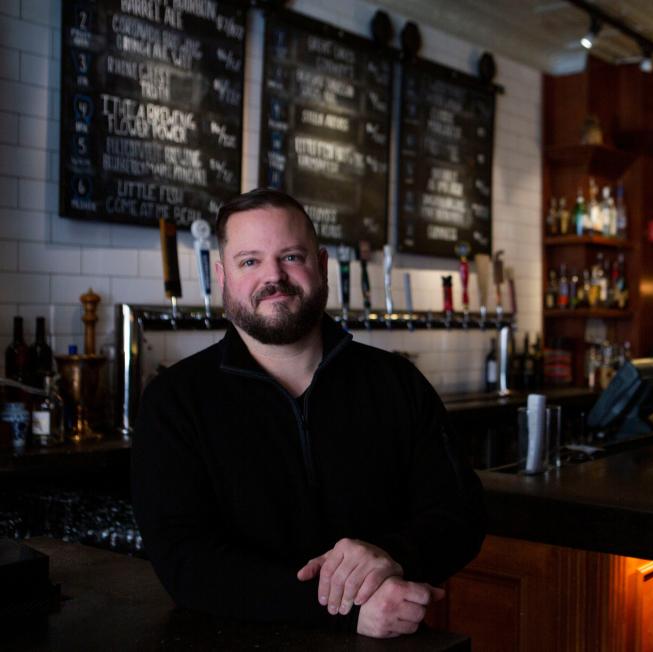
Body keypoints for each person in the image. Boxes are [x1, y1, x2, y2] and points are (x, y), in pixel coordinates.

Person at [132, 189, 486, 638]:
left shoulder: (397, 384)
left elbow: (463, 514)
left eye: (291, 256)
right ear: (222, 276)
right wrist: (349, 609)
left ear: (321, 267)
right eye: (250, 261)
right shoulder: (174, 402)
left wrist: (393, 555)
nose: (274, 276)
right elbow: (186, 563)